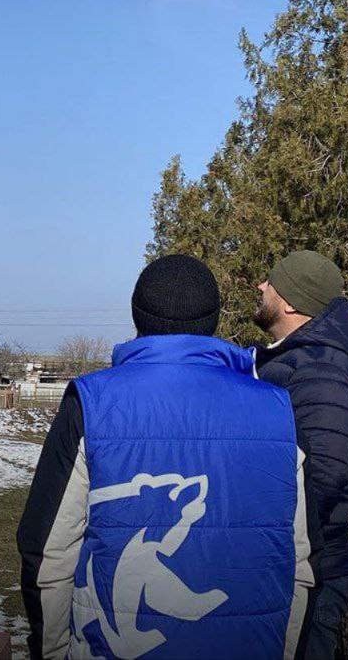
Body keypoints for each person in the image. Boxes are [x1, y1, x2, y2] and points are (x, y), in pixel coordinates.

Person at [18, 255, 317, 660]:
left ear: (137, 315)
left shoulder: (92, 402)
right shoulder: (279, 410)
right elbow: (301, 562)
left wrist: (52, 651)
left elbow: (49, 553)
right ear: (212, 320)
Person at [254, 251, 348, 660]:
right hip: (290, 564)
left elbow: (321, 479)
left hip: (309, 574)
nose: (261, 286)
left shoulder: (322, 369)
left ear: (290, 302)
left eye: (271, 282)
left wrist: (261, 537)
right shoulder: (299, 359)